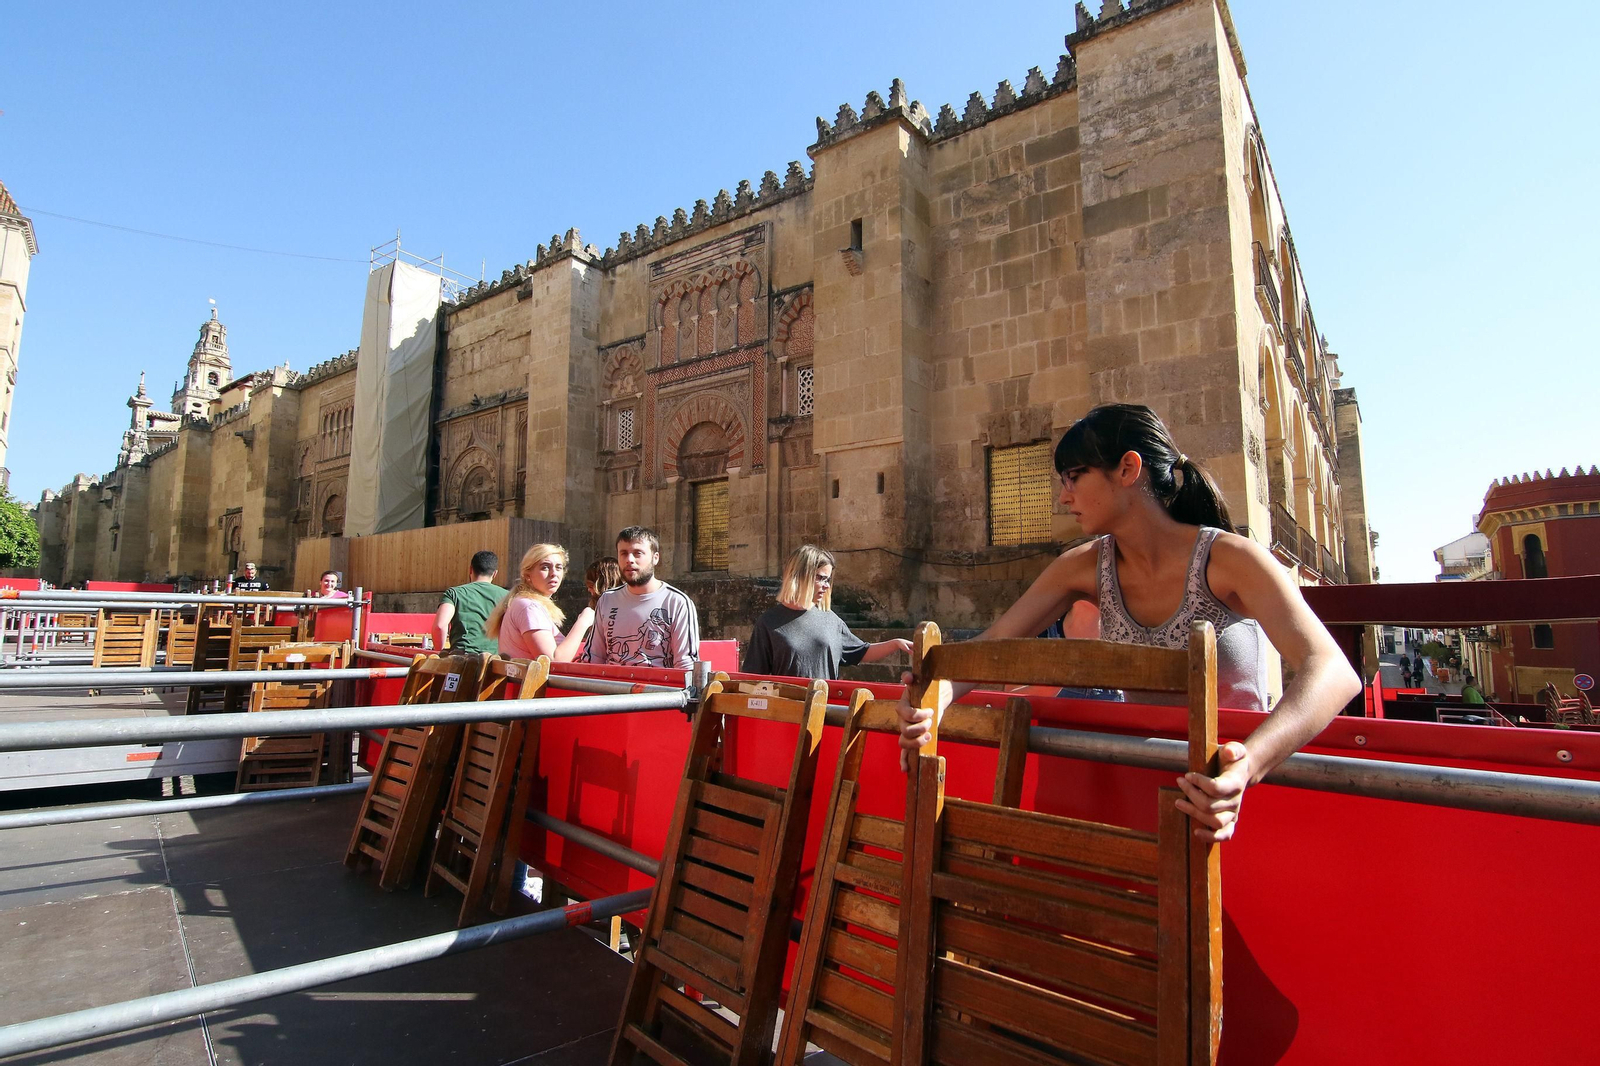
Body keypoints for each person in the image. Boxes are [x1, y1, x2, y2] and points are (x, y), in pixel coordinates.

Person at [896, 403, 1360, 843]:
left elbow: (1333, 672)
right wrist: (933, 703)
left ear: (1128, 469)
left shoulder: (1229, 558)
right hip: (1148, 795)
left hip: (1238, 799)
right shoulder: (1082, 567)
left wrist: (1248, 765)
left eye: (1075, 476)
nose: (1064, 496)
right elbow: (991, 649)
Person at [743, 545, 912, 680]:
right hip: (786, 715)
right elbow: (752, 680)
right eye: (820, 578)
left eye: (828, 579)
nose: (826, 585)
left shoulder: (832, 620)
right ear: (800, 575)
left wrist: (895, 644)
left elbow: (860, 652)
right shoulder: (768, 622)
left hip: (826, 712)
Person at [589, 527, 699, 669]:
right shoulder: (607, 600)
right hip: (613, 689)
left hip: (658, 689)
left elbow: (686, 664)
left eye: (637, 553)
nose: (629, 560)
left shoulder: (677, 602)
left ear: (655, 558)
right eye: (623, 553)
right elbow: (594, 656)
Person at [484, 544, 595, 662]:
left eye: (559, 567)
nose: (554, 573)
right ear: (528, 575)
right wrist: (584, 621)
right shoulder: (529, 607)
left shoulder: (524, 602)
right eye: (545, 567)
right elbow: (554, 662)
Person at [432, 551, 505, 655]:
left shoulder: (454, 593)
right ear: (495, 573)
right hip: (494, 662)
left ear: (471, 569)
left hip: (461, 659)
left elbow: (439, 626)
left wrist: (440, 652)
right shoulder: (507, 596)